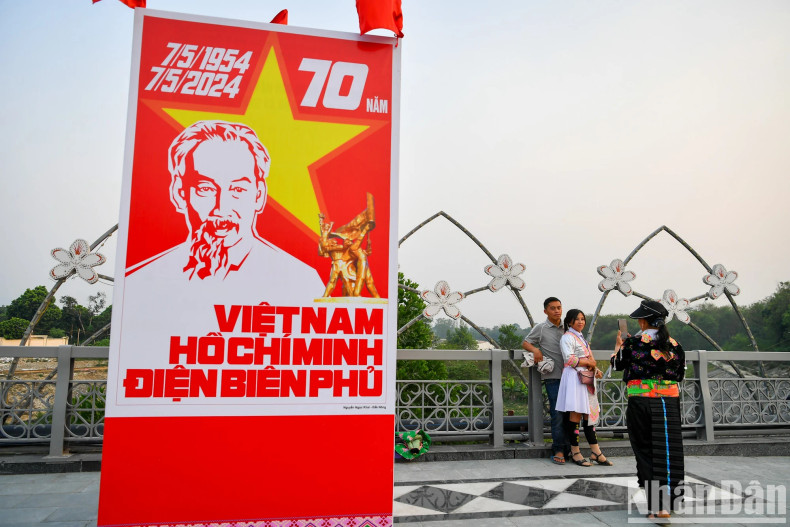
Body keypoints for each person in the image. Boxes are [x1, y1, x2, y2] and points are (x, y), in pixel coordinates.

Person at [127, 120, 324, 302]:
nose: (222, 209)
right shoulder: (137, 285)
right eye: (206, 188)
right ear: (179, 193)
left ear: (259, 195)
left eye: (238, 189)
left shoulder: (303, 284)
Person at [612, 299, 686, 519]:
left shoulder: (633, 343)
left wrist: (618, 345)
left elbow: (617, 365)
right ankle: (669, 502)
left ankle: (657, 507)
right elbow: (680, 375)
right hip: (669, 403)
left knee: (646, 450)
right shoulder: (674, 344)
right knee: (669, 450)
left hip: (641, 402)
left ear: (644, 322)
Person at [555, 309, 612, 467]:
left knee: (589, 414)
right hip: (574, 377)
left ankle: (595, 451)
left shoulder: (581, 338)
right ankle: (575, 452)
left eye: (582, 319)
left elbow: (588, 358)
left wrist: (595, 369)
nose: (580, 322)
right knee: (575, 414)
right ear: (569, 322)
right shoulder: (567, 337)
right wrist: (589, 363)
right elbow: (569, 359)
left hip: (585, 377)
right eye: (576, 319)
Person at [522, 297, 568, 465]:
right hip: (553, 377)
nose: (557, 311)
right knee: (557, 415)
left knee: (572, 415)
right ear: (545, 311)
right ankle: (559, 450)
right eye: (553, 308)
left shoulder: (568, 327)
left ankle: (572, 449)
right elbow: (526, 342)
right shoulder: (541, 328)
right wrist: (535, 349)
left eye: (559, 307)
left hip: (571, 377)